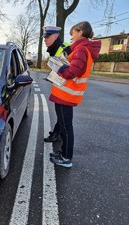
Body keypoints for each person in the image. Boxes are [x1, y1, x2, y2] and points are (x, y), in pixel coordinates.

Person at [49, 21, 101, 168]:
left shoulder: (81, 50)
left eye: (73, 34)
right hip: (65, 94)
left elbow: (74, 71)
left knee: (66, 128)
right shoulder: (81, 49)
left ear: (81, 32)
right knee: (65, 126)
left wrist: (59, 70)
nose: (71, 37)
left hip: (67, 94)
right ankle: (63, 153)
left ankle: (66, 158)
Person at [43, 25, 70, 143]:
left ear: (56, 36)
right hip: (60, 86)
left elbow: (69, 71)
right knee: (61, 114)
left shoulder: (66, 49)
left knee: (63, 116)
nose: (44, 39)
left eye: (47, 36)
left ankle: (58, 136)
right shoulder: (54, 48)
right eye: (44, 36)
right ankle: (57, 132)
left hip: (67, 89)